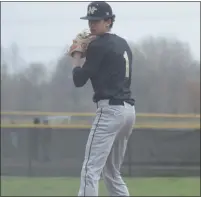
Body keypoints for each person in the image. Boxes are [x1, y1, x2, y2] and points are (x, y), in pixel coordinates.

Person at [68, 1, 136, 196]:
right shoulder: (122, 43)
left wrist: (77, 55)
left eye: (96, 20)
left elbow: (78, 79)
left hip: (110, 111)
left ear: (109, 21)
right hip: (128, 112)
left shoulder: (97, 45)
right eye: (90, 20)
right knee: (112, 173)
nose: (91, 25)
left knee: (90, 170)